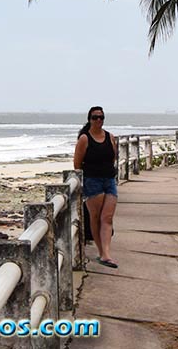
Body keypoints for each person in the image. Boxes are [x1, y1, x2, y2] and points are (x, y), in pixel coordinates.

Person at [74, 106, 119, 269]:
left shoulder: (110, 137)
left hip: (109, 180)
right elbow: (77, 163)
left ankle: (107, 254)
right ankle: (101, 252)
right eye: (95, 117)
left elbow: (113, 158)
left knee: (107, 218)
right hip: (93, 181)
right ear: (89, 119)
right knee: (95, 217)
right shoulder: (85, 139)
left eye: (101, 117)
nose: (98, 120)